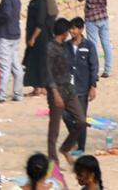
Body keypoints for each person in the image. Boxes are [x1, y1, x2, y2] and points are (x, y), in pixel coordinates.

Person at [46, 17, 84, 161]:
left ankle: (66, 147)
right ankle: (53, 161)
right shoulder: (50, 48)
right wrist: (55, 94)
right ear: (64, 32)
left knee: (81, 121)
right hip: (56, 91)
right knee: (54, 130)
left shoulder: (64, 46)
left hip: (68, 89)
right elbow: (48, 73)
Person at [67, 17, 99, 154]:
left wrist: (93, 86)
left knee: (81, 118)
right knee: (65, 115)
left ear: (81, 29)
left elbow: (94, 66)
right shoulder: (66, 46)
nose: (71, 31)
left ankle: (81, 147)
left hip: (82, 87)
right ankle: (73, 138)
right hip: (68, 88)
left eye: (74, 28)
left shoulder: (89, 46)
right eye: (70, 29)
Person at [77, 0, 113, 78]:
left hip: (91, 17)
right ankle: (107, 69)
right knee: (106, 44)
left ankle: (95, 71)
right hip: (103, 16)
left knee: (93, 45)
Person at [23, 0, 49, 97]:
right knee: (34, 61)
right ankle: (38, 87)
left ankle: (40, 87)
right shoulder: (34, 1)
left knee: (39, 62)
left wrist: (33, 38)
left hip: (39, 37)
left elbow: (40, 23)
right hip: (34, 35)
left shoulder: (41, 3)